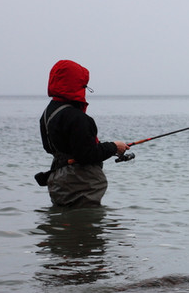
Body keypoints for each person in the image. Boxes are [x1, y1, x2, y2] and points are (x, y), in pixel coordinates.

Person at [39, 60, 129, 208]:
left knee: (64, 226)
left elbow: (50, 148)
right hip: (80, 183)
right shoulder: (78, 118)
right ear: (77, 84)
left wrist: (105, 148)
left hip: (58, 179)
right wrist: (114, 147)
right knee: (84, 228)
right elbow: (87, 155)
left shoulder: (48, 114)